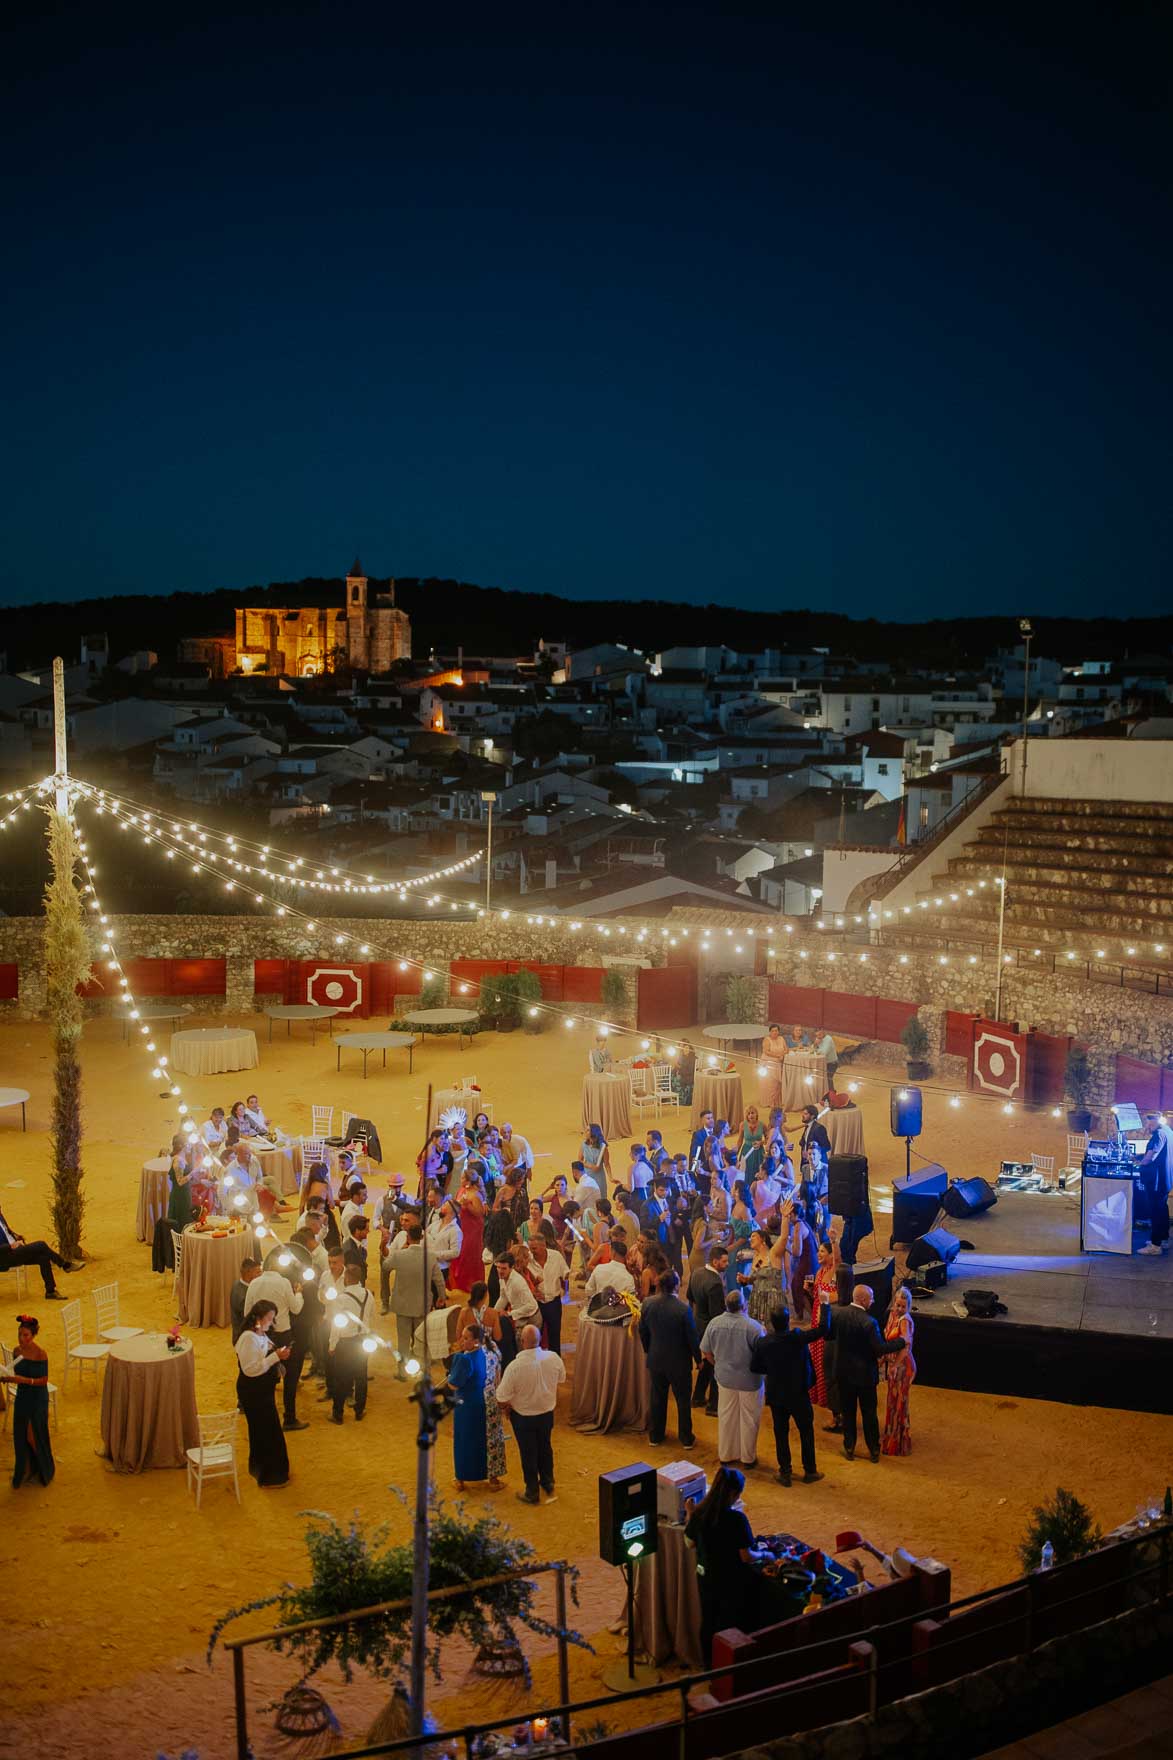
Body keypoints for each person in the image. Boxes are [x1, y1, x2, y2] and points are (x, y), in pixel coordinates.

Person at [750, 1299, 831, 1486]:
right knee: (806, 1431)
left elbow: (755, 1367)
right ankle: (810, 1471)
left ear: (772, 1322)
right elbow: (823, 1329)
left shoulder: (764, 1342)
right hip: (799, 1394)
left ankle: (785, 1472)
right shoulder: (797, 1337)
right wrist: (825, 1304)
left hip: (777, 1395)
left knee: (781, 1433)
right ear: (788, 1321)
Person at [684, 1467, 760, 1664]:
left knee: (708, 1622)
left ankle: (709, 1668)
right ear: (734, 1493)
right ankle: (725, 1669)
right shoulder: (737, 1519)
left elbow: (689, 1543)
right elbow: (746, 1556)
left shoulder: (700, 1513)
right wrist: (766, 1554)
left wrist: (689, 1515)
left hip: (705, 1577)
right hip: (730, 1580)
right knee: (728, 1624)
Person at [830, 1284, 906, 1463]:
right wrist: (900, 1342)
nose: (873, 1301)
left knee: (848, 1413)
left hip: (844, 1374)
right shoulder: (869, 1322)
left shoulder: (838, 1314)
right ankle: (874, 1451)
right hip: (864, 1376)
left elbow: (829, 1336)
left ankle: (849, 1447)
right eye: (871, 1298)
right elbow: (879, 1349)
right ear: (862, 1300)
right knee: (869, 1414)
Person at [494, 1322, 565, 1505]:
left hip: (523, 1417)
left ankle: (532, 1491)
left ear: (522, 1341)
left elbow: (501, 1396)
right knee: (545, 1448)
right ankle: (548, 1482)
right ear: (540, 1339)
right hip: (546, 1413)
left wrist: (506, 1407)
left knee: (528, 1453)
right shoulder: (553, 1358)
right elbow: (561, 1378)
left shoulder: (514, 1367)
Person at [700, 1289, 765, 1469]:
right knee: (749, 1419)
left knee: (726, 1417)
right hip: (750, 1381)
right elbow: (762, 1355)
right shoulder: (754, 1327)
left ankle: (727, 1455)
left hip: (725, 1378)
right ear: (743, 1306)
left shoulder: (714, 1323)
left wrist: (718, 1363)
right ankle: (748, 1458)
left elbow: (706, 1352)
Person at [244, 1255, 307, 1432]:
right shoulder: (284, 1283)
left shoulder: (254, 1284)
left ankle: (266, 1418)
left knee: (266, 1376)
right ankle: (289, 1417)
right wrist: (299, 1293)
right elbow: (296, 1308)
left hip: (262, 1337)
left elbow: (246, 1312)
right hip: (283, 1335)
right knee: (291, 1376)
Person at [639, 1270, 700, 1448]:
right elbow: (692, 1338)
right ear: (676, 1285)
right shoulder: (683, 1309)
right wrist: (698, 1358)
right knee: (682, 1400)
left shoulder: (648, 1304)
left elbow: (643, 1331)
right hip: (679, 1363)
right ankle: (686, 1438)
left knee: (657, 1397)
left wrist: (648, 1349)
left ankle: (656, 1436)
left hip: (656, 1358)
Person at [235, 1299, 290, 1486]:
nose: (271, 1322)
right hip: (253, 1392)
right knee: (265, 1431)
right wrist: (276, 1357)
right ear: (258, 1318)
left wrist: (278, 1356)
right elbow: (250, 1369)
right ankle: (269, 1475)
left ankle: (266, 1470)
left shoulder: (261, 1334)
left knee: (267, 1431)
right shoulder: (247, 1338)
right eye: (269, 1318)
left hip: (262, 1392)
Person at [383, 1222, 447, 1374]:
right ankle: (425, 1370)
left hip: (402, 1305)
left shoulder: (399, 1255)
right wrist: (442, 1297)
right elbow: (439, 1280)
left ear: (407, 1237)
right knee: (422, 1339)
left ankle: (402, 1372)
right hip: (421, 1305)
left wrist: (394, 1249)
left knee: (403, 1341)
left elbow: (385, 1266)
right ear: (422, 1237)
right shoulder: (430, 1257)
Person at [4, 1315, 54, 1488]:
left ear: (33, 1335)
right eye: (20, 1335)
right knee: (20, 1435)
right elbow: (15, 1375)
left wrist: (23, 1380)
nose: (22, 1339)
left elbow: (43, 1380)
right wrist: (7, 1378)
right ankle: (24, 1469)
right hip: (23, 1396)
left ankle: (42, 1468)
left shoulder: (41, 1354)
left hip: (38, 1397)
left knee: (34, 1436)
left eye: (26, 1335)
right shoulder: (16, 1351)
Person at [448, 1323, 494, 1487]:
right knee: (482, 1440)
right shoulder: (486, 1353)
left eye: (466, 1338)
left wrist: (450, 1374)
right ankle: (490, 1477)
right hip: (482, 1402)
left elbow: (454, 1384)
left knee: (463, 1440)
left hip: (465, 1405)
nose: (462, 1340)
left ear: (475, 1341)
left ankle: (460, 1478)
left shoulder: (463, 1359)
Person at [0, 1207, 83, 1299]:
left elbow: (7, 1233)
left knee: (43, 1257)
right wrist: (11, 1246)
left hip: (16, 1251)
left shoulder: (1, 1217)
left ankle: (50, 1291)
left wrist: (16, 1236)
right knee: (41, 1245)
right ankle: (65, 1265)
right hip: (4, 1257)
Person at [330, 1261, 373, 1423]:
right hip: (363, 1340)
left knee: (341, 1377)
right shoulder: (369, 1294)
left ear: (346, 1279)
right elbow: (370, 1316)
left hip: (345, 1342)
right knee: (361, 1376)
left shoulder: (341, 1299)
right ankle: (359, 1410)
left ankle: (338, 1413)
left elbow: (336, 1325)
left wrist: (332, 1344)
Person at [688, 1245, 729, 1417]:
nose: (727, 1264)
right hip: (710, 1329)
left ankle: (697, 1397)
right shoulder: (715, 1283)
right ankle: (713, 1405)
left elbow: (690, 1297)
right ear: (715, 1261)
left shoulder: (696, 1273)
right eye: (724, 1261)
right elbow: (717, 1315)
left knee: (706, 1363)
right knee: (716, 1365)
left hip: (698, 1324)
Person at [881, 1287, 916, 1455]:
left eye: (903, 1306)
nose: (899, 1308)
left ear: (908, 1306)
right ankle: (891, 1438)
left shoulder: (905, 1321)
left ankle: (898, 1442)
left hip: (903, 1367)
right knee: (892, 1403)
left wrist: (894, 1365)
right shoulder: (892, 1315)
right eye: (897, 1305)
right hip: (894, 1366)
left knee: (899, 1405)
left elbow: (906, 1347)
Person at [807, 1239, 840, 1411]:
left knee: (825, 1361)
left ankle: (829, 1399)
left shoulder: (834, 1271)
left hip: (827, 1320)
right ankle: (818, 1395)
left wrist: (834, 1241)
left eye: (822, 1252)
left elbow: (839, 1261)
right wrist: (809, 1290)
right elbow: (816, 1298)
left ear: (830, 1255)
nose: (818, 1254)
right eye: (818, 1251)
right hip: (816, 1318)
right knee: (816, 1358)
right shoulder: (819, 1271)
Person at [527, 1233, 570, 1354]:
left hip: (554, 1303)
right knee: (535, 1337)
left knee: (554, 1336)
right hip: (536, 1304)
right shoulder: (527, 1259)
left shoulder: (556, 1256)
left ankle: (555, 1362)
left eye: (534, 1248)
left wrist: (568, 1277)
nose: (531, 1251)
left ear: (544, 1245)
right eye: (530, 1248)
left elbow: (565, 1272)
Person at [1138, 1112, 1173, 1255]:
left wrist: (1140, 1162)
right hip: (1166, 1179)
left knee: (1156, 1212)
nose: (1148, 1126)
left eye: (1149, 1123)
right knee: (1162, 1210)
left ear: (1154, 1121)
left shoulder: (1158, 1134)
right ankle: (1163, 1239)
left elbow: (1151, 1156)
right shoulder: (1168, 1131)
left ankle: (1155, 1246)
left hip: (1156, 1181)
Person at [449, 1169, 487, 1295]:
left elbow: (479, 1213)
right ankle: (458, 1281)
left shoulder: (476, 1195)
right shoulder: (461, 1190)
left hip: (472, 1229)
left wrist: (467, 1205)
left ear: (469, 1181)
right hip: (461, 1225)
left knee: (469, 1254)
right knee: (459, 1251)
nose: (460, 1181)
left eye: (462, 1178)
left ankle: (471, 1283)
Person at [230, 1257, 262, 1344]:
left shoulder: (237, 1283)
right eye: (258, 1272)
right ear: (249, 1272)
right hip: (244, 1340)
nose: (261, 1274)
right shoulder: (243, 1296)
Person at [797, 1106, 831, 1186]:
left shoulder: (819, 1128)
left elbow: (826, 1146)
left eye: (805, 1114)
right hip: (807, 1163)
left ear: (812, 1116)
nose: (803, 1115)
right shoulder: (807, 1126)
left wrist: (812, 1154)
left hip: (816, 1165)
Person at [759, 1023, 787, 1108]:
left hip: (778, 1063)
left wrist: (782, 1055)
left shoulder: (781, 1038)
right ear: (770, 1032)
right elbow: (766, 1051)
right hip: (768, 1064)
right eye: (773, 1031)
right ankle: (770, 1102)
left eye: (776, 1031)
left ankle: (777, 1101)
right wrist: (778, 1056)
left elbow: (786, 1049)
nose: (775, 1032)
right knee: (771, 1083)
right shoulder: (767, 1040)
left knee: (778, 1083)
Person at [581, 1122, 610, 1198]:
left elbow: (606, 1164)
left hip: (599, 1176)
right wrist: (590, 1166)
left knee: (600, 1196)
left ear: (593, 1133)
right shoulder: (584, 1145)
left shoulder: (603, 1147)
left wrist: (611, 1177)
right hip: (587, 1175)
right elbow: (579, 1160)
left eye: (588, 1130)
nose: (585, 1132)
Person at [738, 1105, 767, 1179]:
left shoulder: (762, 1125)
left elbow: (768, 1139)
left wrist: (761, 1142)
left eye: (752, 1113)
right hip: (746, 1151)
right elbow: (740, 1141)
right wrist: (736, 1155)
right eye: (748, 1114)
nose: (750, 1115)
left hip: (759, 1152)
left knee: (759, 1171)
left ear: (756, 1114)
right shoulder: (742, 1125)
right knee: (746, 1171)